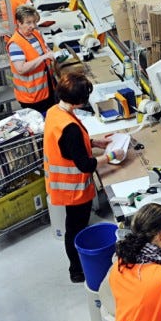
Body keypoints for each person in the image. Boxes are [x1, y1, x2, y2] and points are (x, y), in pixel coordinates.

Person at [44, 72, 113, 283]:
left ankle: (76, 267)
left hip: (61, 186)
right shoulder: (70, 128)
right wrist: (110, 156)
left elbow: (69, 146)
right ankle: (76, 270)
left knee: (73, 226)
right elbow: (85, 165)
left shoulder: (55, 111)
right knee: (75, 229)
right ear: (79, 101)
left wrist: (95, 143)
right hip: (74, 190)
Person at [7, 5, 57, 113]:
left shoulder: (36, 34)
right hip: (31, 96)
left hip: (46, 89)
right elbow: (21, 69)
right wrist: (44, 57)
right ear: (19, 23)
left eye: (34, 22)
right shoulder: (15, 44)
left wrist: (52, 56)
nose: (33, 26)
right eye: (28, 23)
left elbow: (46, 51)